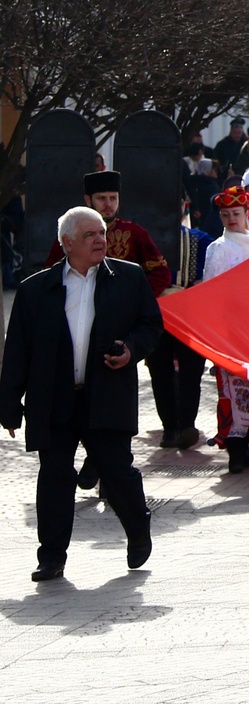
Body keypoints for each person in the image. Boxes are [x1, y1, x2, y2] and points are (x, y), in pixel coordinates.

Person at [1, 205, 162, 580]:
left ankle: (138, 529)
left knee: (117, 471)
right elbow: (18, 350)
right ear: (67, 242)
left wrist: (131, 350)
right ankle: (51, 556)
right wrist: (9, 405)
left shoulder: (128, 278)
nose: (100, 240)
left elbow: (151, 325)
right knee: (55, 476)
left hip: (106, 393)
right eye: (89, 234)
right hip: (55, 398)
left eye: (102, 233)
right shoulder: (36, 289)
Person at [203, 186, 249, 470]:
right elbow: (211, 291)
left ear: (247, 213)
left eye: (236, 213)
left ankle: (245, 443)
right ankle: (234, 446)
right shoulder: (218, 249)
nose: (231, 219)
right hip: (231, 329)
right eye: (225, 214)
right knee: (233, 388)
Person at [151, 203, 211, 450]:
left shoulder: (201, 240)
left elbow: (210, 275)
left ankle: (187, 424)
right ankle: (169, 428)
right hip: (156, 315)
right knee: (159, 371)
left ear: (184, 208)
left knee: (191, 372)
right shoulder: (147, 240)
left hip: (189, 315)